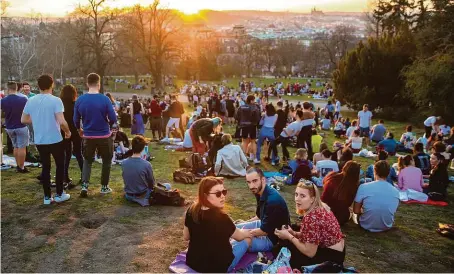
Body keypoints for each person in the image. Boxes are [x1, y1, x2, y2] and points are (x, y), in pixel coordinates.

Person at [183, 177, 252, 273]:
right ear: (205, 195)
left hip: (193, 262)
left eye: (224, 192)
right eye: (218, 194)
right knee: (247, 240)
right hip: (218, 267)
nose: (223, 196)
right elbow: (240, 237)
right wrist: (246, 233)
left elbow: (186, 237)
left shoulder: (191, 210)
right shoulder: (222, 218)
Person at [21, 74, 71, 204]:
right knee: (60, 165)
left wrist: (37, 119)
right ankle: (59, 194)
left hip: (40, 139)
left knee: (46, 167)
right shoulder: (56, 100)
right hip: (55, 139)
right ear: (52, 84)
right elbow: (62, 121)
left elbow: (24, 119)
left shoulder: (30, 100)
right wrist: (68, 132)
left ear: (38, 86)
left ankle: (47, 197)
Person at [274, 180, 345, 269]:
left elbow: (310, 253)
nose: (297, 199)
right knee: (293, 231)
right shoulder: (321, 206)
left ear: (312, 199)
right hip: (337, 252)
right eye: (296, 194)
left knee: (285, 247)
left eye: (302, 196)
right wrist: (294, 233)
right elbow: (312, 236)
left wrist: (289, 236)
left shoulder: (312, 217)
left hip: (331, 259)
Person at [230, 167, 290, 269]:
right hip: (263, 224)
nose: (251, 186)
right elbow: (259, 216)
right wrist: (245, 223)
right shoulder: (259, 191)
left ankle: (225, 265)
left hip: (272, 238)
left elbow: (264, 231)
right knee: (233, 228)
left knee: (242, 240)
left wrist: (241, 234)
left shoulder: (272, 200)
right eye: (248, 182)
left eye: (254, 181)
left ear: (263, 180)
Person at [74, 73, 117, 197]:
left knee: (87, 160)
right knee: (107, 160)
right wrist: (108, 123)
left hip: (88, 135)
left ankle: (85, 186)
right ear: (99, 84)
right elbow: (113, 118)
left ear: (87, 84)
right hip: (104, 135)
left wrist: (79, 130)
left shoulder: (80, 100)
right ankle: (104, 187)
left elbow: (76, 119)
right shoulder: (105, 99)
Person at [354, 160, 400, 232]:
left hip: (365, 224)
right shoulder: (396, 191)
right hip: (386, 225)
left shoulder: (363, 187)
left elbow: (356, 210)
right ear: (388, 174)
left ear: (374, 171)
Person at [1, 81, 29, 173]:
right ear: (17, 88)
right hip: (21, 125)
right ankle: (21, 167)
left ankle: (18, 165)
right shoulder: (24, 99)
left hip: (9, 127)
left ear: (8, 89)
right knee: (22, 147)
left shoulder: (3, 100)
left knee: (15, 146)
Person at [321, 161, 361, 225]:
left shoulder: (331, 176)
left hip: (323, 213)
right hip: (340, 218)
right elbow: (348, 203)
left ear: (344, 167)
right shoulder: (353, 186)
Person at [60, 85, 83, 188]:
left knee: (67, 154)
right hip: (75, 130)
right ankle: (84, 175)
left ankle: (65, 176)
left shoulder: (60, 104)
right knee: (78, 153)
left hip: (63, 130)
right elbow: (78, 118)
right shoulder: (76, 104)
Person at [122, 136, 155, 207]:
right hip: (142, 194)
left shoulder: (124, 162)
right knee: (167, 186)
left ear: (132, 146)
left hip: (128, 195)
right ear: (143, 148)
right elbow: (151, 183)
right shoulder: (147, 164)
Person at [235, 95, 261, 161]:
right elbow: (258, 117)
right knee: (253, 141)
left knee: (244, 141)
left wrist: (240, 122)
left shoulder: (242, 107)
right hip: (252, 126)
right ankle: (255, 158)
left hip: (244, 126)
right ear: (251, 100)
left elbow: (237, 116)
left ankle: (243, 156)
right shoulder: (255, 107)